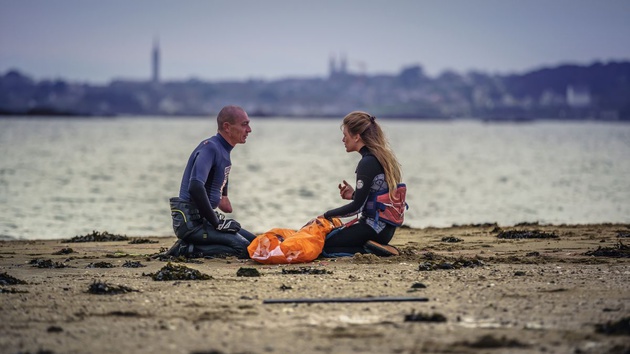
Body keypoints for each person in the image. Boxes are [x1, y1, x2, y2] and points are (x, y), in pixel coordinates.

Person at [165, 105, 256, 258]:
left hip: (204, 220)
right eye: (244, 124)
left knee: (255, 243)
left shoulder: (223, 150)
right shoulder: (211, 148)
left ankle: (197, 244)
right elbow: (195, 186)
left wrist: (223, 196)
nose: (249, 130)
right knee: (244, 249)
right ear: (227, 127)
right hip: (191, 223)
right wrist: (217, 223)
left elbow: (220, 170)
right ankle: (187, 249)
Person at [321, 111, 406, 257]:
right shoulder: (381, 157)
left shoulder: (367, 163)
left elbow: (357, 207)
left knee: (325, 247)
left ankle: (379, 251)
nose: (343, 140)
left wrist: (326, 215)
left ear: (356, 136)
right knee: (333, 239)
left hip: (373, 228)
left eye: (345, 135)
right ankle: (376, 247)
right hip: (385, 229)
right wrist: (354, 194)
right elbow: (376, 195)